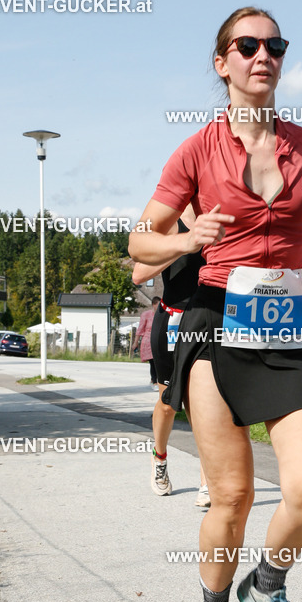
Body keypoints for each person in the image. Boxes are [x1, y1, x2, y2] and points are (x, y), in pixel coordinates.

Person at [128, 6, 302, 602]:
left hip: (288, 329)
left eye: (274, 45)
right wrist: (186, 240)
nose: (263, 55)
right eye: (247, 45)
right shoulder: (196, 150)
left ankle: (267, 586)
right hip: (216, 324)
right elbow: (139, 243)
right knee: (232, 496)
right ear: (222, 63)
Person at [132, 208, 209, 504]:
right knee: (168, 403)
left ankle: (207, 479)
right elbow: (139, 274)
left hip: (207, 322)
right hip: (172, 321)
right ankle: (159, 458)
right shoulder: (169, 225)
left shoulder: (219, 220)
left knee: (205, 403)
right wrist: (185, 243)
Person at [132, 297, 159, 389]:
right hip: (148, 341)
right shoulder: (146, 315)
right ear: (153, 305)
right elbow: (140, 329)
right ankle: (155, 382)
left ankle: (153, 379)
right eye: (158, 305)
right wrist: (136, 342)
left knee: (158, 361)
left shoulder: (162, 314)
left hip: (158, 340)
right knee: (153, 361)